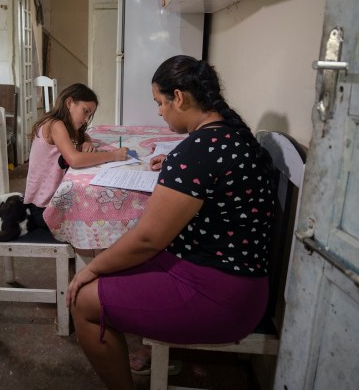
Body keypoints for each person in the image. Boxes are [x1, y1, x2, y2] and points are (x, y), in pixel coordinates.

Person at [66, 55, 277, 389]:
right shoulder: (228, 136)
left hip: (220, 294)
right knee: (115, 264)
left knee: (82, 301)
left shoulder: (197, 152)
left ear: (179, 97)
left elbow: (149, 239)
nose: (159, 112)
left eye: (160, 103)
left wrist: (89, 270)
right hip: (240, 279)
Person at [24, 83, 128, 229]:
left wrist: (87, 142)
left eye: (89, 115)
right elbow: (75, 160)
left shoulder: (65, 125)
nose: (86, 119)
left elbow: (83, 134)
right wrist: (113, 155)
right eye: (85, 111)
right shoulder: (55, 125)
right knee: (98, 214)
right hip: (43, 209)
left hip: (51, 202)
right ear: (70, 103)